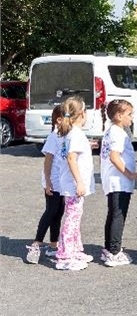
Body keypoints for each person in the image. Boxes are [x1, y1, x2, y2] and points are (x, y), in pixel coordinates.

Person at [100, 99, 137, 267]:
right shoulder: (117, 133)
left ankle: (109, 247)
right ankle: (114, 251)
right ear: (118, 116)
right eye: (129, 114)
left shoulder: (113, 131)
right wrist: (130, 174)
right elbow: (114, 156)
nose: (131, 118)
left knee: (113, 214)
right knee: (119, 215)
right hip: (118, 181)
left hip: (113, 181)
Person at [55, 96, 96, 271]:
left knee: (75, 217)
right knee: (72, 219)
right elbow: (71, 158)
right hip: (73, 185)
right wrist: (79, 182)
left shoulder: (70, 133)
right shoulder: (76, 134)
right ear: (81, 114)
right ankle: (65, 255)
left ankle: (75, 249)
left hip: (69, 183)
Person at [26, 106, 65, 264]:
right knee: (51, 211)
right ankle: (36, 244)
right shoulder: (54, 137)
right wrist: (48, 181)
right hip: (53, 180)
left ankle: (53, 245)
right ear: (59, 120)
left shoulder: (66, 136)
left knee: (59, 212)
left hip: (62, 182)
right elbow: (48, 161)